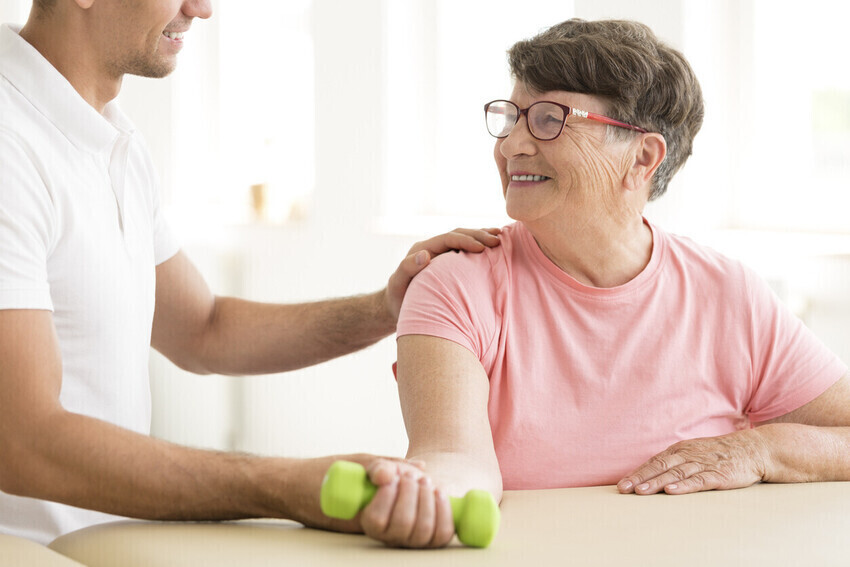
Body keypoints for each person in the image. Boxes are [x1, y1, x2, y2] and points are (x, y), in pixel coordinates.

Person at [0, 0, 501, 545]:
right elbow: (22, 442)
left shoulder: (113, 141)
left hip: (101, 547)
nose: (202, 9)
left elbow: (204, 330)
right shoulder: (11, 144)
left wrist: (384, 308)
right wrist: (285, 486)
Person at [355, 18, 850, 548]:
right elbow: (454, 458)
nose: (512, 145)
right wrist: (429, 495)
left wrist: (761, 451)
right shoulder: (454, 284)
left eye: (549, 119)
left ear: (642, 157)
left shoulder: (729, 293)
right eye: (511, 117)